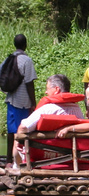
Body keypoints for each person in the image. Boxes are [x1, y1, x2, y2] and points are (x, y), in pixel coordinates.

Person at [13, 74, 84, 167]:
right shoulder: (77, 110)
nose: (46, 92)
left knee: (20, 132)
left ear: (56, 89)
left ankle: (16, 166)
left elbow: (24, 127)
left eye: (48, 88)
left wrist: (17, 142)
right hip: (68, 158)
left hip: (43, 157)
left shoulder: (48, 109)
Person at [4, 34, 37, 168]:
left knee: (11, 132)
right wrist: (33, 102)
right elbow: (29, 83)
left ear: (14, 45)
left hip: (11, 99)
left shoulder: (8, 59)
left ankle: (8, 161)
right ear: (25, 45)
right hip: (23, 102)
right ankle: (22, 160)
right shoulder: (26, 61)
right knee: (23, 131)